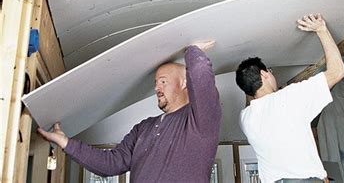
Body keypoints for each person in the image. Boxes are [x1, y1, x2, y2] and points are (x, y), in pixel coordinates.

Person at [38, 41, 222, 183]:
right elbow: (110, 163)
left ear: (184, 83)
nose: (157, 87)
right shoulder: (144, 127)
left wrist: (193, 50)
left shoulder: (200, 120)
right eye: (156, 83)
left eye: (163, 81)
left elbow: (201, 78)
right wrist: (65, 142)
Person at [235, 14, 344, 183]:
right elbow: (338, 72)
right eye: (270, 71)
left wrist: (247, 80)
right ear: (264, 74)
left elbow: (252, 101)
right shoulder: (288, 98)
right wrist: (321, 29)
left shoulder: (245, 118)